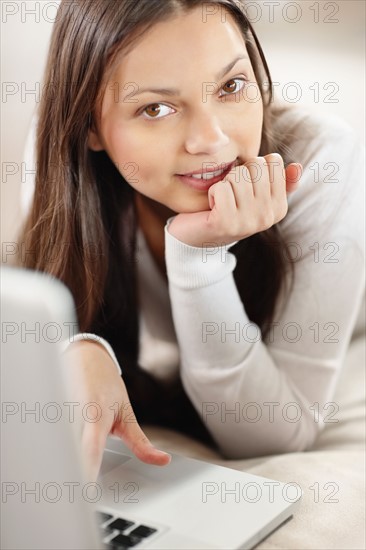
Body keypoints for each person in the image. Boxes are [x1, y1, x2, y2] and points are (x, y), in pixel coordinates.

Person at [18, 0, 365, 481]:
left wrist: (198, 259)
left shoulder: (321, 160)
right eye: (156, 108)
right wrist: (80, 346)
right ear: (91, 127)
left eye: (231, 86)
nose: (211, 139)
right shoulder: (60, 168)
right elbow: (35, 312)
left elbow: (273, 436)